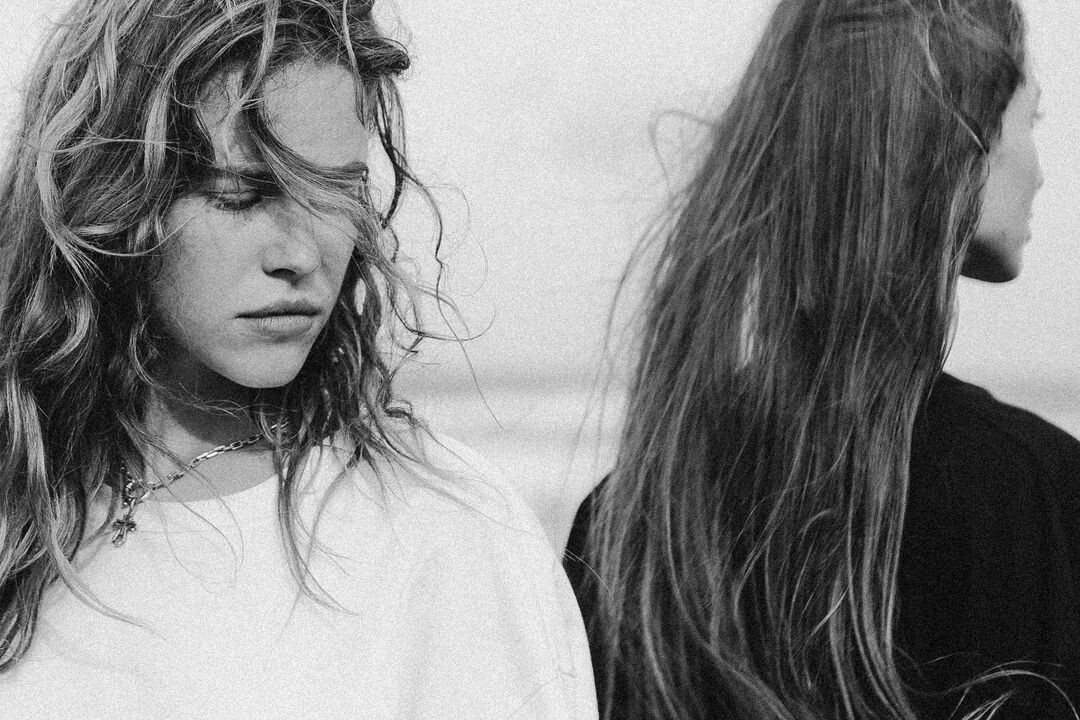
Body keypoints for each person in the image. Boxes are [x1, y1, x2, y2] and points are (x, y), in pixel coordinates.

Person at [0, 1, 596, 717]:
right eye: (240, 196)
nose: (302, 256)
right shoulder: (22, 493)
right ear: (110, 196)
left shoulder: (447, 531)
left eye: (336, 193)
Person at [565, 0, 1077, 718]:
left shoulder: (633, 522)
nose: (1043, 173)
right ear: (962, 138)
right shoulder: (1038, 494)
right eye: (1033, 119)